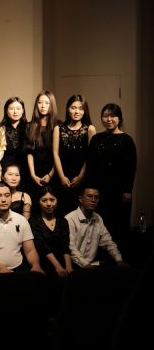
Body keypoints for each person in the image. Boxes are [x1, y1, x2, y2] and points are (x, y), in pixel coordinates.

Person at [86, 103, 137, 248]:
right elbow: (90, 165)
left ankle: (119, 256)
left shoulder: (127, 140)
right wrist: (90, 189)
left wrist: (128, 190)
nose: (109, 119)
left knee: (119, 224)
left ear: (119, 118)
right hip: (99, 190)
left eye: (113, 116)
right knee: (99, 224)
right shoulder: (96, 138)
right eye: (105, 116)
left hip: (119, 191)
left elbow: (131, 166)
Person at [0, 181, 44, 274]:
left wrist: (36, 265)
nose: (3, 200)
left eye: (7, 195)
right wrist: (1, 268)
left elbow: (30, 250)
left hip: (19, 269)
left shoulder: (21, 220)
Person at [53, 94, 96, 214]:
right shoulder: (58, 128)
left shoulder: (90, 129)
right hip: (62, 176)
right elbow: (55, 154)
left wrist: (80, 177)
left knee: (81, 213)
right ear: (68, 109)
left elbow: (90, 156)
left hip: (82, 177)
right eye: (73, 107)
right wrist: (61, 177)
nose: (77, 111)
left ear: (85, 111)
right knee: (62, 212)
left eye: (80, 108)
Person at [65, 186, 126, 268]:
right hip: (75, 265)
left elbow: (108, 241)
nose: (93, 200)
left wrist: (119, 260)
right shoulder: (70, 218)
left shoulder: (98, 218)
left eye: (96, 197)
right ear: (80, 199)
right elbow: (71, 248)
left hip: (93, 265)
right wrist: (85, 265)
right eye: (89, 196)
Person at [29, 186, 73, 278]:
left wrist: (69, 267)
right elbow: (42, 246)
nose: (48, 204)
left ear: (57, 201)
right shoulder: (33, 221)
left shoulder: (63, 221)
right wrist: (58, 266)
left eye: (52, 200)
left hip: (62, 262)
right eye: (44, 200)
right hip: (43, 264)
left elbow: (65, 245)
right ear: (38, 202)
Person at [26, 90, 58, 191]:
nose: (43, 106)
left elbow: (60, 154)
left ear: (52, 105)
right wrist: (33, 175)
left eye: (47, 103)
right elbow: (29, 152)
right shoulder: (30, 126)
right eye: (40, 103)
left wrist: (50, 175)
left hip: (53, 172)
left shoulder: (58, 126)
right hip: (34, 173)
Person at [1, 97, 28, 183]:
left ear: (23, 111)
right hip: (5, 170)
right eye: (11, 108)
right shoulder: (0, 129)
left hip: (25, 171)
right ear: (6, 111)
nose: (15, 112)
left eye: (18, 109)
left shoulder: (29, 128)